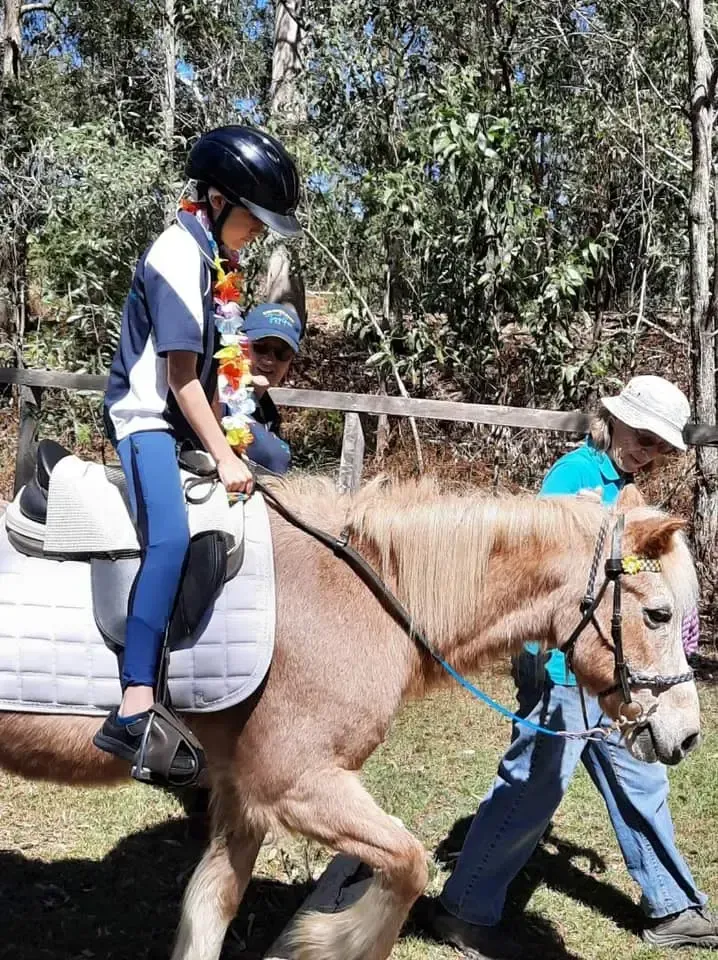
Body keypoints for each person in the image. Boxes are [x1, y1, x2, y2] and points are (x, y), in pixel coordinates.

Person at [429, 375, 718, 958]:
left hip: (613, 673)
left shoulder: (626, 489)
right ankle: (463, 909)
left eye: (659, 445)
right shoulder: (573, 477)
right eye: (642, 436)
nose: (647, 451)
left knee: (640, 779)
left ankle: (674, 907)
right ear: (612, 420)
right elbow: (539, 564)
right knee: (533, 787)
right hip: (563, 669)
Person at [93, 125, 301, 778]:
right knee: (172, 537)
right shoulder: (176, 256)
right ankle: (134, 703)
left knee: (282, 464)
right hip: (147, 418)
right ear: (216, 199)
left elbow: (218, 374)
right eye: (254, 218)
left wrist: (248, 442)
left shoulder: (219, 262)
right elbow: (181, 379)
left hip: (191, 414)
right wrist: (228, 457)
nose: (259, 232)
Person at [240, 301, 304, 475]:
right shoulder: (222, 403)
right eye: (261, 347)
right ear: (242, 345)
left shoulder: (269, 414)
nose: (269, 360)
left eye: (282, 353)